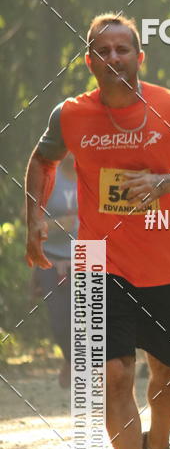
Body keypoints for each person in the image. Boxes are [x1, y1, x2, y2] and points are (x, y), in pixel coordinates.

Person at [25, 13, 170, 449]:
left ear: (140, 56)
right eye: (103, 51)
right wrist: (34, 221)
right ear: (90, 61)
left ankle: (158, 446)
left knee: (169, 376)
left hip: (164, 264)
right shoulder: (69, 115)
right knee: (115, 375)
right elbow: (41, 161)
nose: (113, 57)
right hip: (98, 259)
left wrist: (166, 185)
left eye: (123, 49)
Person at [28, 153, 78, 388]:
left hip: (89, 256)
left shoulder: (94, 176)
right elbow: (28, 217)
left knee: (90, 318)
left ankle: (94, 372)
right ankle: (70, 359)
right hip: (52, 258)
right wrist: (55, 226)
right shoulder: (48, 179)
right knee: (59, 320)